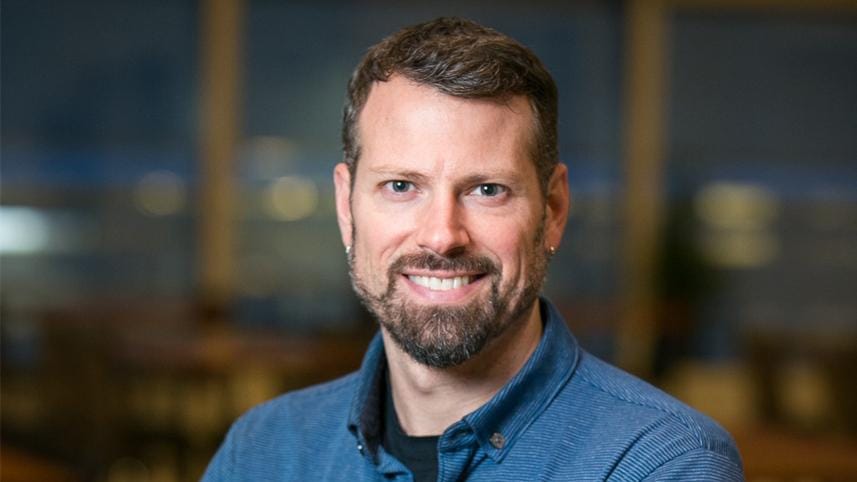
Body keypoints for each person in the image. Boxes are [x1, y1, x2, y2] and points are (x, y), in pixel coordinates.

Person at [203, 17, 744, 481]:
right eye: (401, 187)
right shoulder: (263, 452)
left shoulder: (660, 463)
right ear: (346, 207)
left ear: (552, 209)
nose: (441, 235)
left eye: (488, 190)